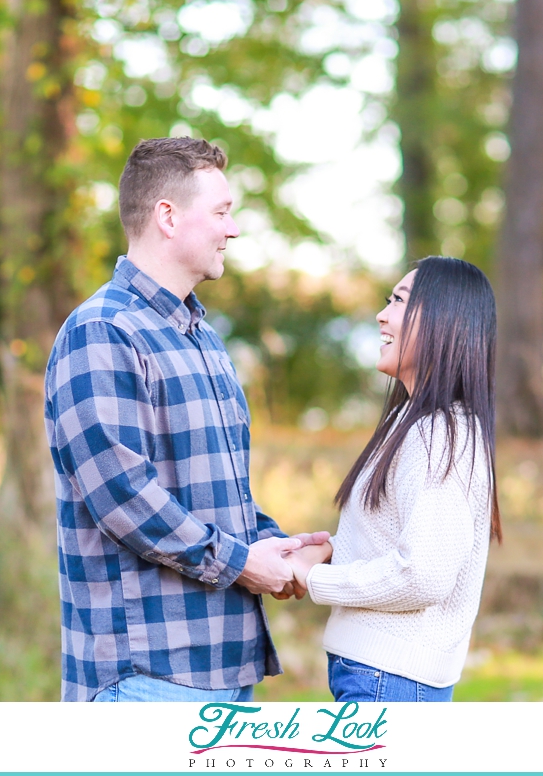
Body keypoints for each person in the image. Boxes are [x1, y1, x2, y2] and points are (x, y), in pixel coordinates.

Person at [45, 137, 327, 702]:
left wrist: (278, 549)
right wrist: (245, 563)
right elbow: (125, 500)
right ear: (168, 217)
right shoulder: (102, 331)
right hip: (146, 679)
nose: (234, 229)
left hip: (223, 667)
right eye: (222, 212)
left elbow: (211, 495)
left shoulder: (201, 337)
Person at [287, 256, 500, 702]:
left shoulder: (441, 432)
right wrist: (331, 553)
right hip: (376, 674)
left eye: (400, 301)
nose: (382, 315)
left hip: (390, 680)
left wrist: (313, 579)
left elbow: (423, 575)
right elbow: (399, 542)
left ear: (444, 320)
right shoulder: (413, 421)